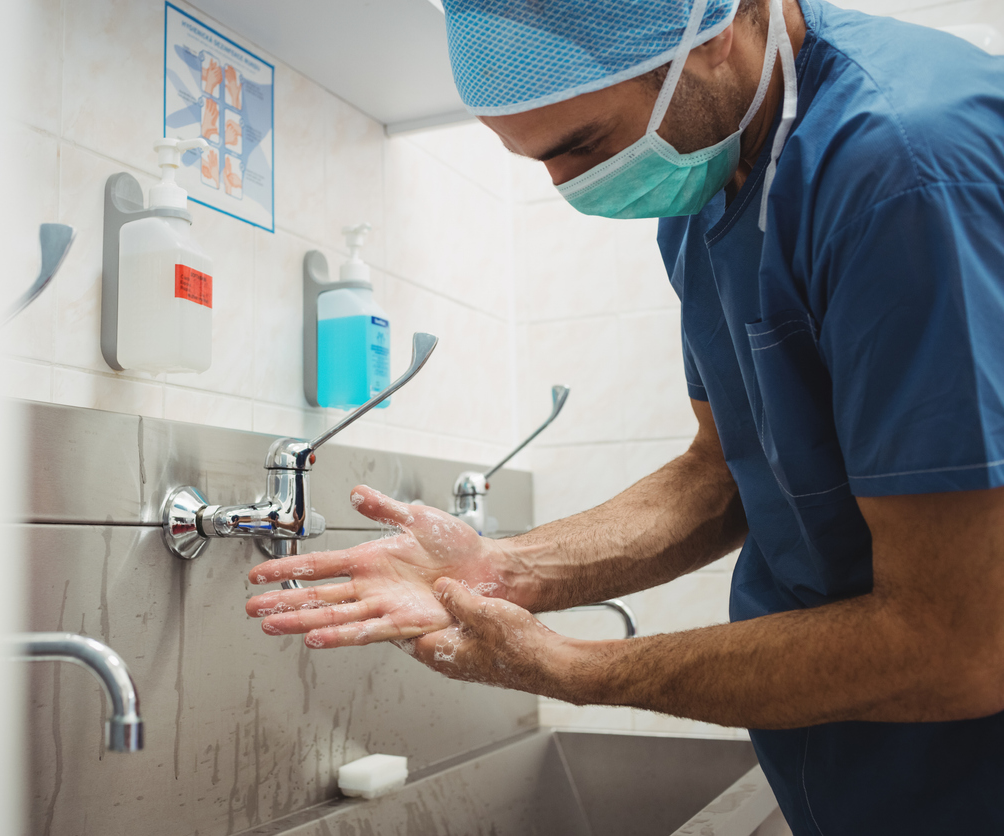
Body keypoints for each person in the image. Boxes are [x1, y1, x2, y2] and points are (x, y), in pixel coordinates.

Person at [246, 0, 1004, 831]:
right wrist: (502, 569)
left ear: (716, 33)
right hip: (850, 767)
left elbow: (959, 642)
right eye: (535, 159)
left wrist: (575, 669)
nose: (569, 188)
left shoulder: (906, 168)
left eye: (583, 145)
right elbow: (721, 472)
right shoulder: (706, 180)